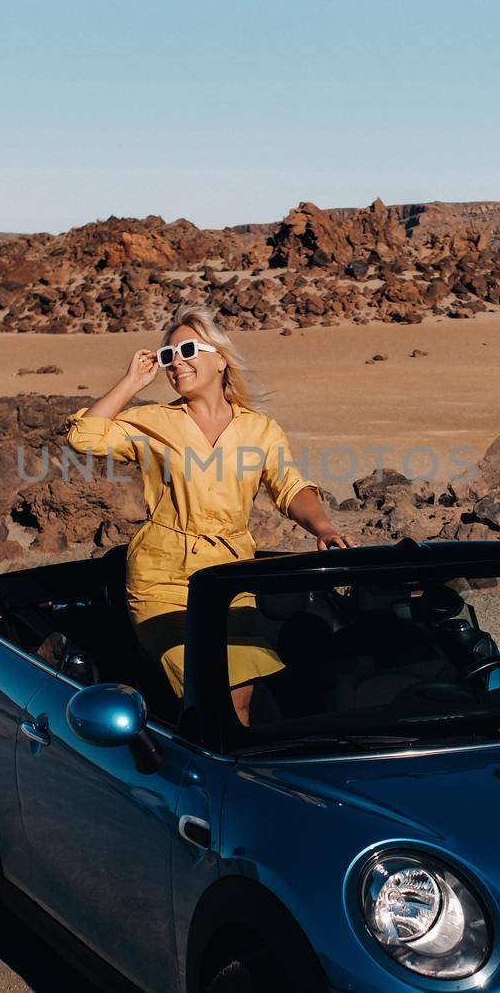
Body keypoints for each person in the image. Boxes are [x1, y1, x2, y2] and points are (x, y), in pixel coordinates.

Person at [65, 306, 354, 724]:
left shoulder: (260, 429)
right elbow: (84, 436)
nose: (175, 362)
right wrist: (131, 381)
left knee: (238, 702)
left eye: (186, 350)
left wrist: (324, 526)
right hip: (162, 579)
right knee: (204, 692)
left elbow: (290, 486)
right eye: (168, 356)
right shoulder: (152, 421)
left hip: (230, 575)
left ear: (220, 358)